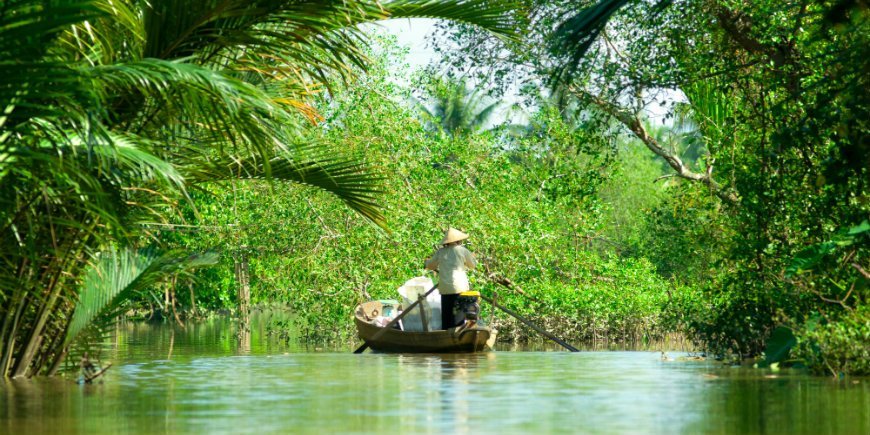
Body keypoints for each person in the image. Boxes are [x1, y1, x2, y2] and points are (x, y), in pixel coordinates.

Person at [424, 227, 477, 329]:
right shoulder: (462, 250)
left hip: (445, 288)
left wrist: (426, 262)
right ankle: (458, 334)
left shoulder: (441, 252)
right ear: (458, 240)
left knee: (447, 315)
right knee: (458, 315)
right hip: (460, 288)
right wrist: (466, 262)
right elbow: (472, 265)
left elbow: (431, 265)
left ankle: (445, 334)